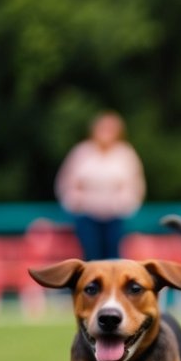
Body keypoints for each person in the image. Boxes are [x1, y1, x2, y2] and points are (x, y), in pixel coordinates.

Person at [54, 111, 145, 260]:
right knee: (90, 254)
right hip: (87, 214)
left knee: (113, 256)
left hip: (115, 216)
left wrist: (125, 205)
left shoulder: (125, 154)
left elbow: (135, 185)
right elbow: (67, 182)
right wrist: (75, 203)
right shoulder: (82, 152)